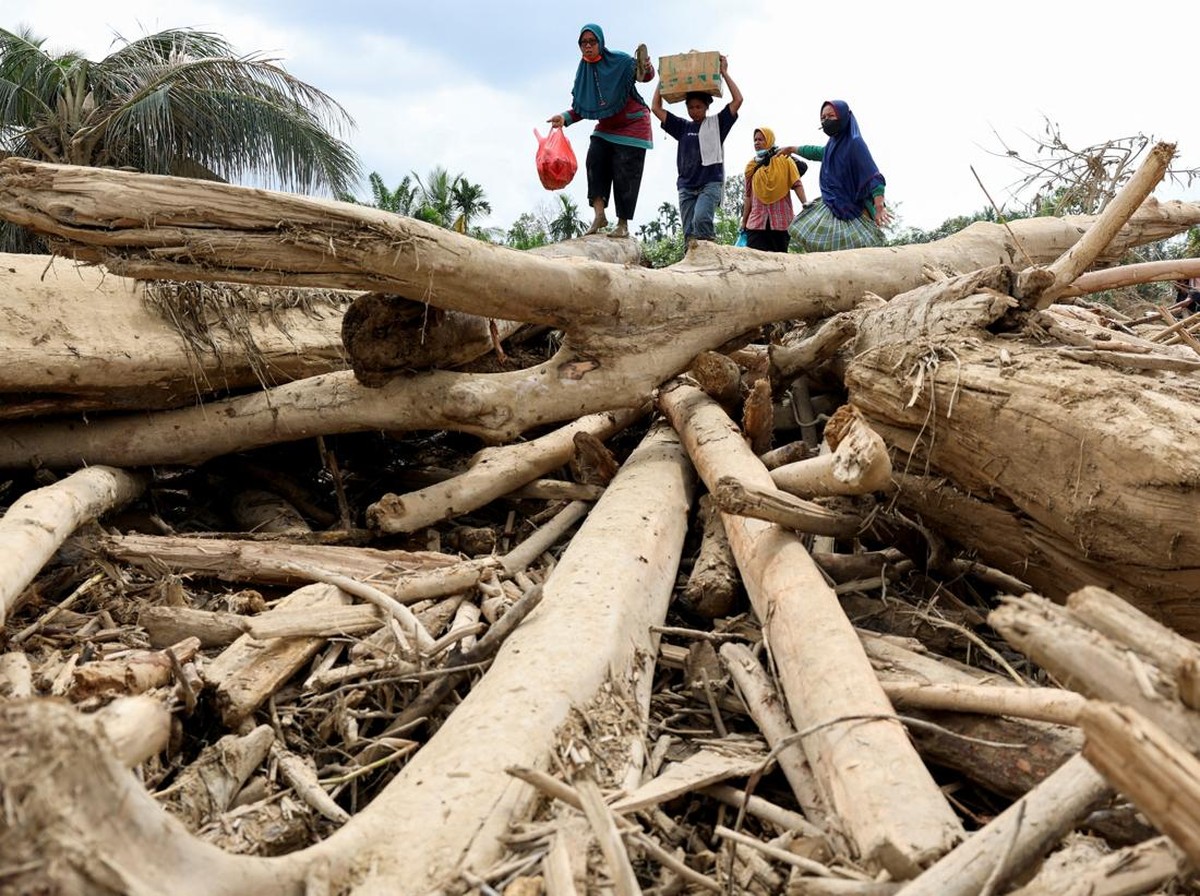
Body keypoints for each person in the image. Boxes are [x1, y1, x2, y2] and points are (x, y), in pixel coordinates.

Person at [547, 24, 655, 238]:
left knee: (625, 173)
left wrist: (647, 67)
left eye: (592, 42)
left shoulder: (620, 60)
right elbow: (584, 106)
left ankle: (623, 224)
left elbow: (645, 77)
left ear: (601, 43)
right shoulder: (584, 73)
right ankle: (599, 215)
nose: (587, 46)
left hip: (633, 125)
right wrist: (565, 118)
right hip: (607, 127)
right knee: (594, 158)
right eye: (583, 43)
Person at [650, 55, 742, 242]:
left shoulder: (717, 124)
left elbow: (738, 100)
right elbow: (656, 108)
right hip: (686, 186)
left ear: (707, 107)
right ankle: (692, 257)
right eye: (691, 107)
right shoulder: (682, 127)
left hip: (710, 184)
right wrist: (662, 79)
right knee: (689, 234)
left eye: (698, 107)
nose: (694, 111)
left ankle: (709, 253)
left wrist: (724, 72)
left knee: (701, 220)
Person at [782, 100, 891, 252]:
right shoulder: (833, 145)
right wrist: (792, 149)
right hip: (832, 204)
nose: (826, 121)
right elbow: (818, 152)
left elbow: (874, 177)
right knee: (809, 237)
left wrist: (879, 207)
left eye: (831, 116)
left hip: (854, 212)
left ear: (843, 116)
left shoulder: (855, 143)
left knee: (853, 253)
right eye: (823, 118)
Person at [741, 127, 806, 253]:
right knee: (754, 260)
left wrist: (805, 204)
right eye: (755, 140)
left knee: (779, 261)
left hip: (780, 222)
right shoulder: (751, 167)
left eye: (761, 139)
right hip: (756, 224)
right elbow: (748, 196)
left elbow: (797, 184)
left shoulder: (785, 160)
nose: (757, 143)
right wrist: (744, 222)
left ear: (769, 140)